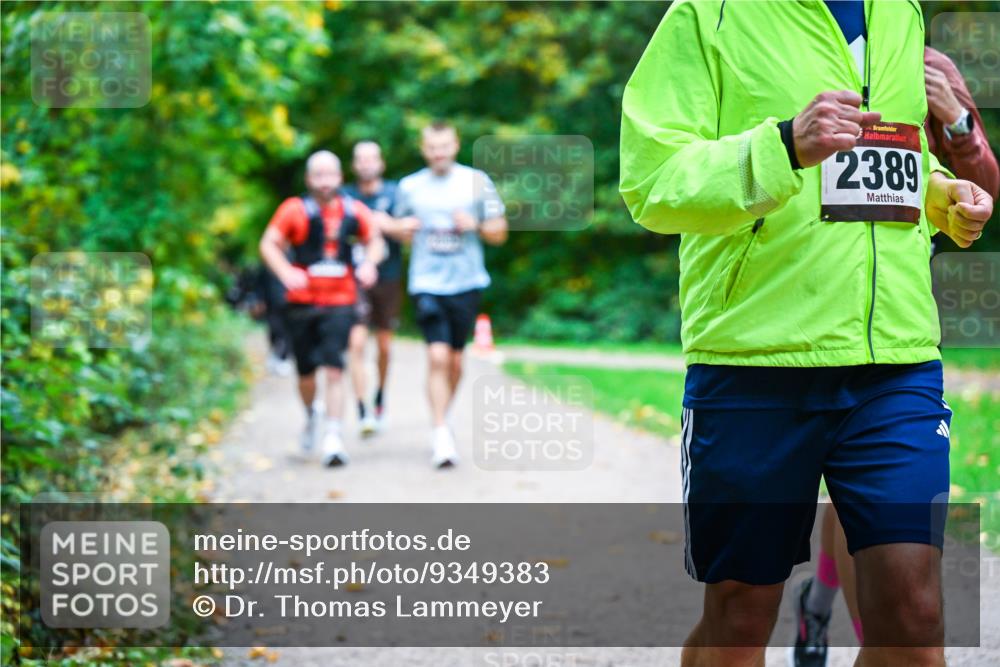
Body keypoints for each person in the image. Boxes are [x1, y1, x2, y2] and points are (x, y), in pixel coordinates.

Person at [619, 2, 994, 667]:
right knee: (739, 614)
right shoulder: (711, 14)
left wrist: (942, 198)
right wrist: (784, 142)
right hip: (755, 357)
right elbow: (652, 182)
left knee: (914, 618)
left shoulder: (898, 11)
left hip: (896, 361)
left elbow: (886, 154)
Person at [792, 45, 999, 667]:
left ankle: (835, 615)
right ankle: (830, 610)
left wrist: (958, 123)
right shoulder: (782, 47)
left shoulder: (919, 55)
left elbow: (985, 191)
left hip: (897, 317)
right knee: (848, 496)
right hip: (795, 312)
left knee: (862, 503)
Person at [259, 150, 384, 467]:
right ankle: (311, 414)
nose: (325, 182)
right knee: (306, 373)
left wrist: (369, 263)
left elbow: (376, 241)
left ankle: (333, 436)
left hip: (341, 301)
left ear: (340, 177)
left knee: (334, 367)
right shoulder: (294, 210)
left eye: (331, 175)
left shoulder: (354, 211)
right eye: (319, 175)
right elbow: (268, 243)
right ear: (309, 179)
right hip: (302, 303)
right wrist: (286, 272)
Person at [394, 122, 508, 468]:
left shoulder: (476, 182)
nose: (438, 153)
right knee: (438, 357)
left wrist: (474, 225)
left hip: (466, 282)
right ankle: (441, 432)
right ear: (423, 148)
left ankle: (444, 413)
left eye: (444, 146)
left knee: (456, 361)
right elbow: (398, 230)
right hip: (427, 283)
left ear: (455, 145)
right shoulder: (409, 187)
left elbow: (500, 232)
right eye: (431, 147)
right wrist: (403, 231)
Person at [341, 140, 410, 436]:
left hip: (389, 277)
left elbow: (411, 231)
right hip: (353, 281)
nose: (366, 164)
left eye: (372, 158)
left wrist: (386, 224)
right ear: (355, 165)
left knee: (383, 345)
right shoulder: (345, 197)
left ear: (381, 163)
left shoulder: (396, 194)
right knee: (355, 343)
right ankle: (361, 409)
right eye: (361, 159)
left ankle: (380, 396)